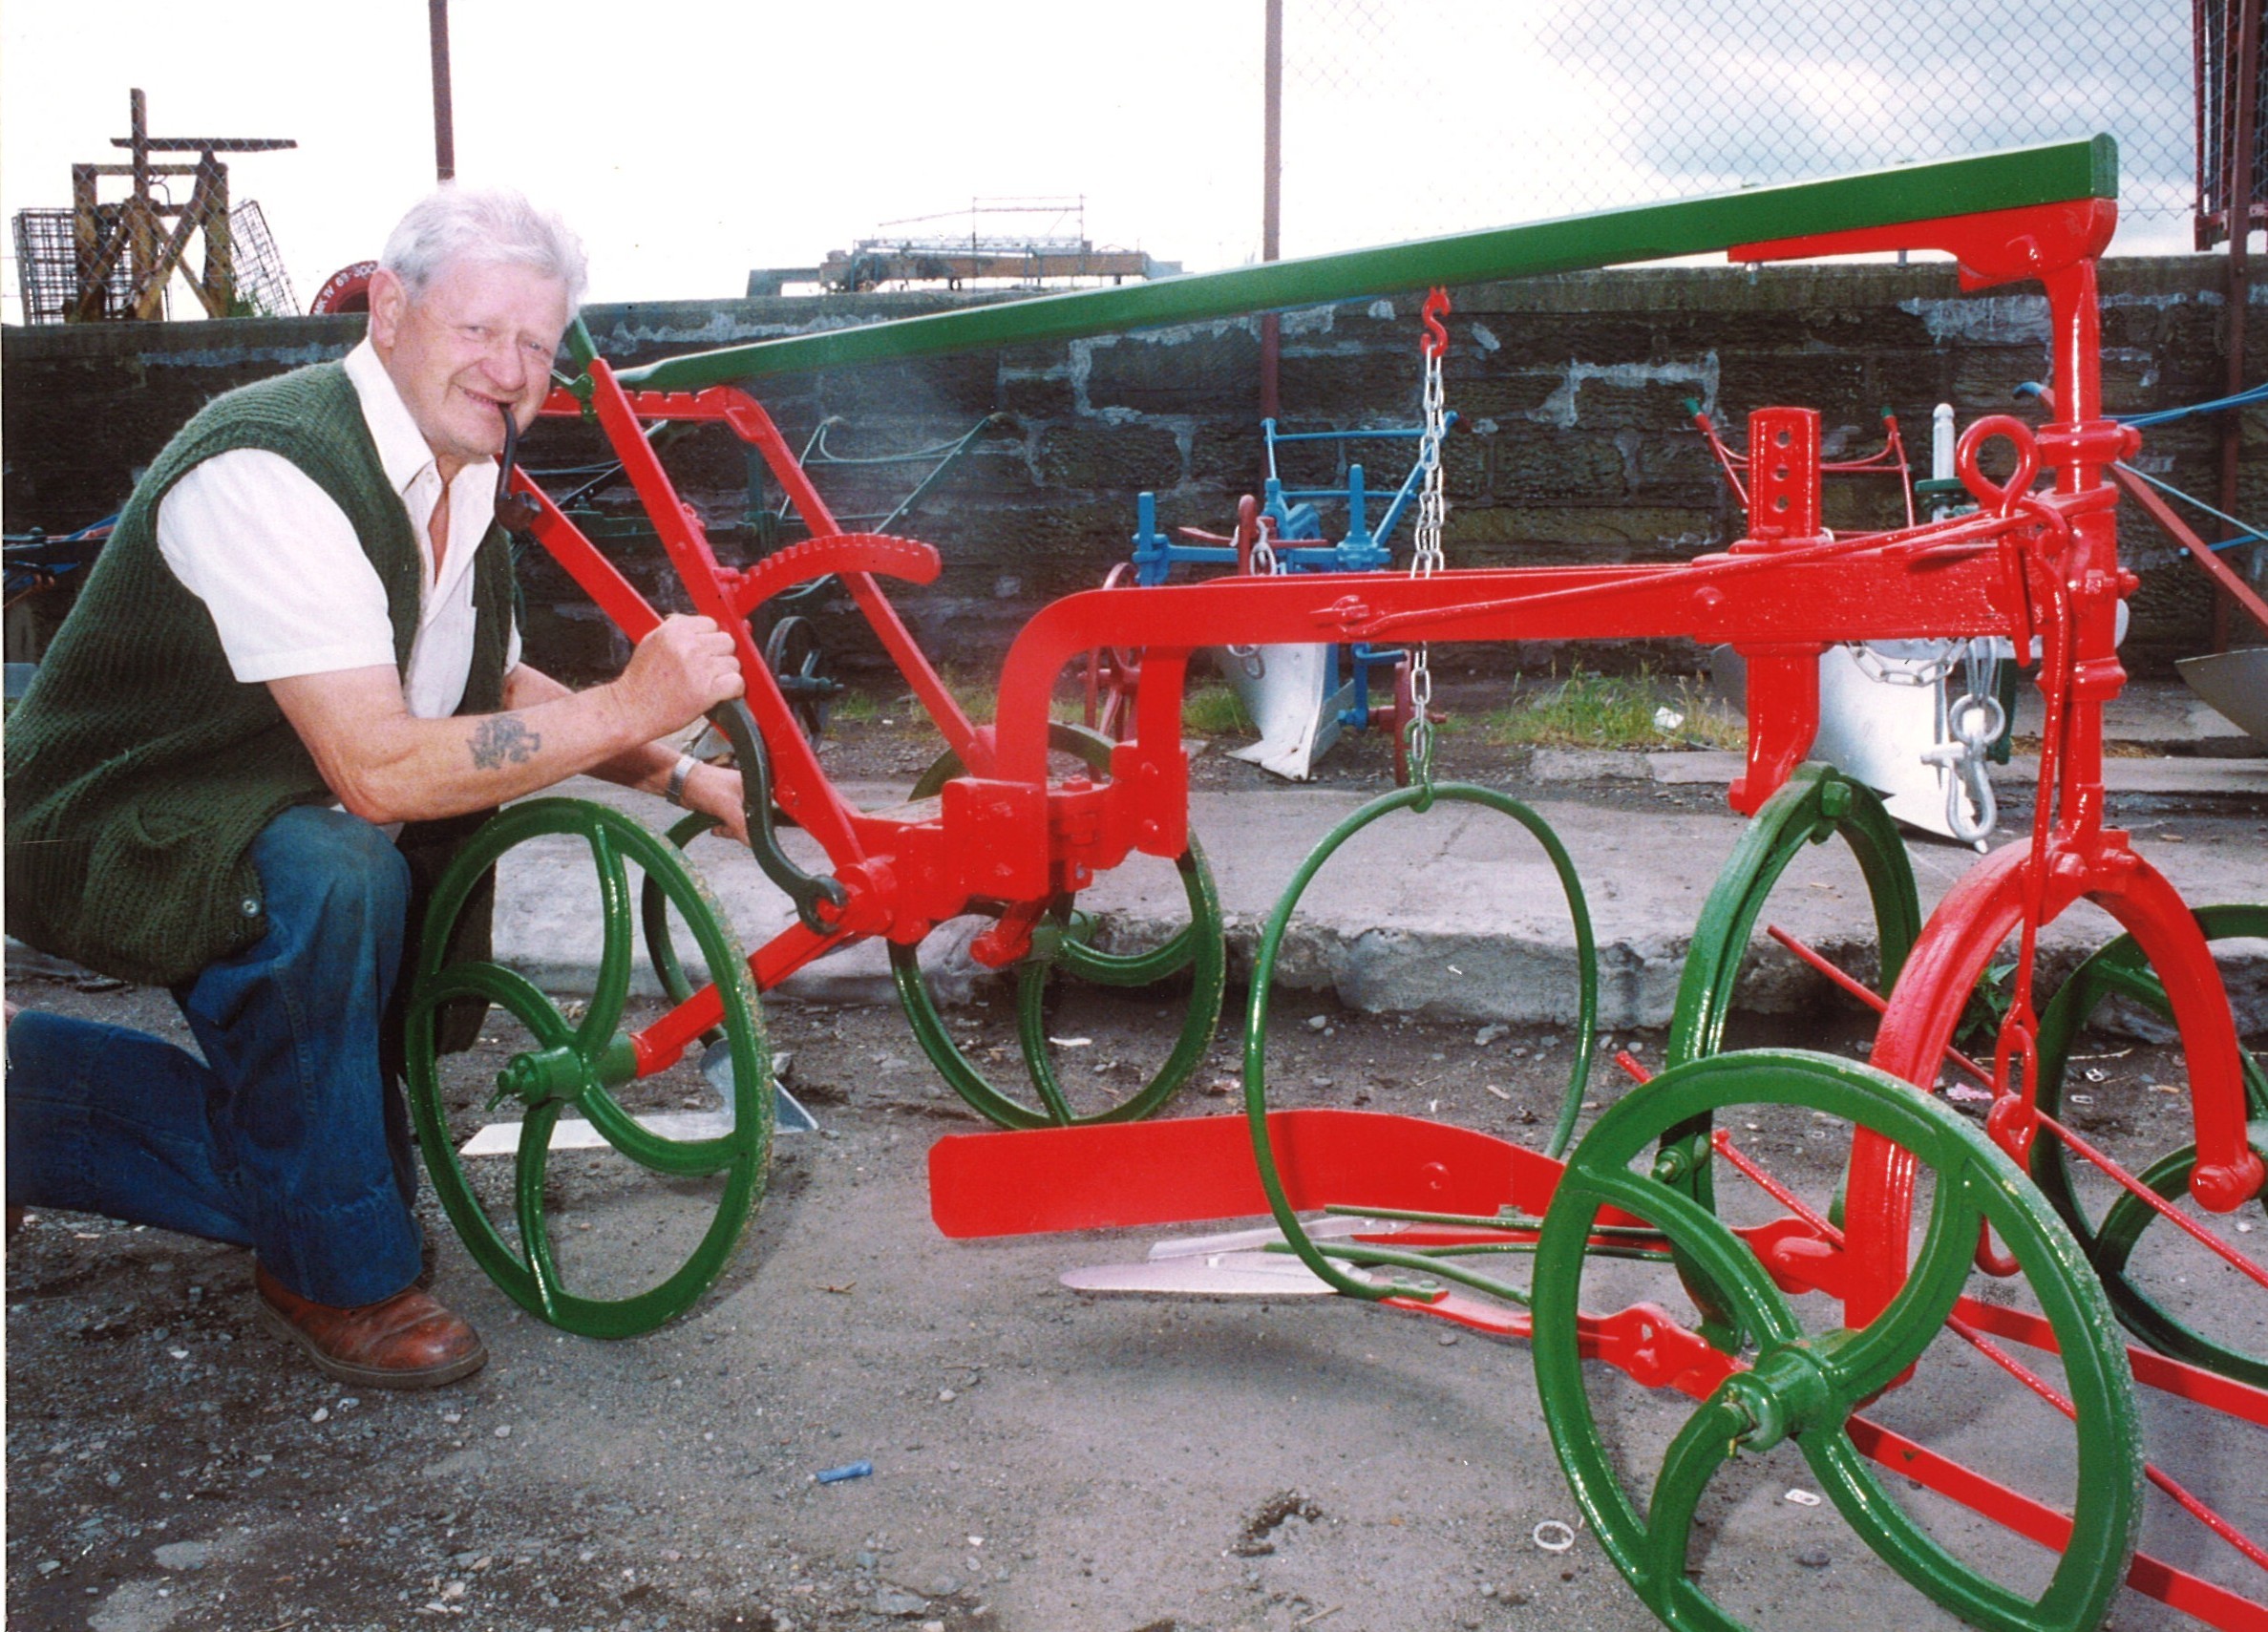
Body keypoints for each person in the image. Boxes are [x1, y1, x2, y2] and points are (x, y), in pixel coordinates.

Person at [3, 186, 749, 1389]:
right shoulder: (275, 467)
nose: (508, 371)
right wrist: (629, 701)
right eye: (477, 330)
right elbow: (376, 767)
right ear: (391, 310)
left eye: (535, 346)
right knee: (342, 862)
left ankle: (41, 1104)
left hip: (249, 803)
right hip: (106, 818)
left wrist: (679, 769)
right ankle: (331, 1269)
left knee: (343, 1162)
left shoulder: (454, 473)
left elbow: (483, 675)